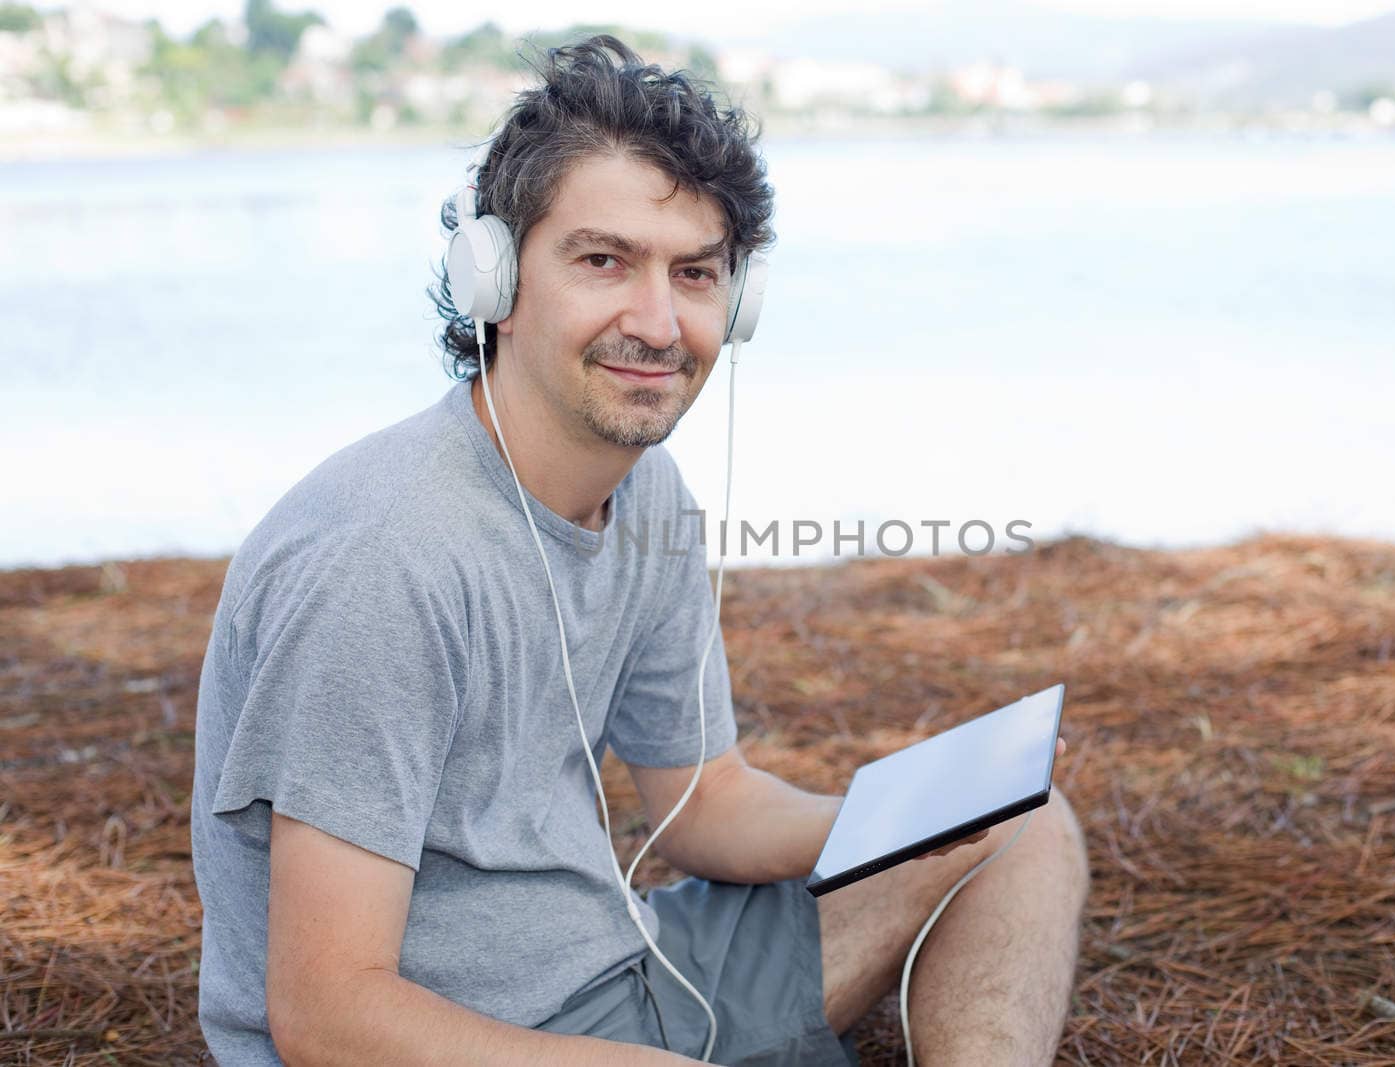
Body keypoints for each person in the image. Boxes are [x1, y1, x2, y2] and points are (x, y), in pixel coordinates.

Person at [189, 34, 1088, 1067]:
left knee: (1017, 823)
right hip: (441, 1040)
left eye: (696, 273)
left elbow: (708, 805)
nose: (658, 322)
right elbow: (328, 1016)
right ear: (493, 278)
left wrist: (914, 814)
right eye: (603, 259)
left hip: (632, 973)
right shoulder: (381, 560)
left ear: (735, 303)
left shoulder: (646, 493)